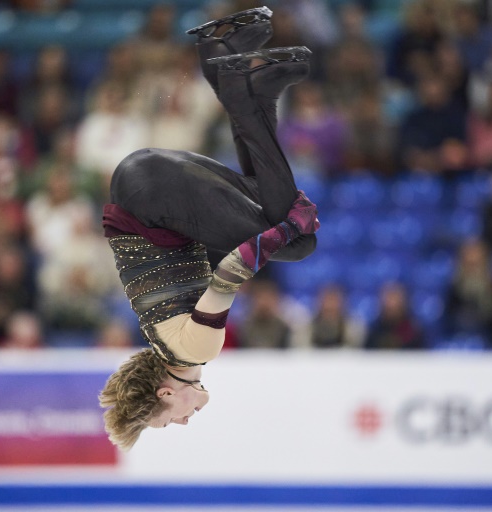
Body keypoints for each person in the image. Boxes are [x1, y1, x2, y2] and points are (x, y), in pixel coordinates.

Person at [98, 8, 320, 451]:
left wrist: (289, 228)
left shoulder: (194, 349)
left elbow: (232, 271)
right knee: (267, 193)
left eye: (166, 422)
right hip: (141, 182)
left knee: (297, 241)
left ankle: (243, 87)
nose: (183, 422)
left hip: (154, 196)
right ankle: (226, 58)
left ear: (165, 393)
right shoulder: (165, 342)